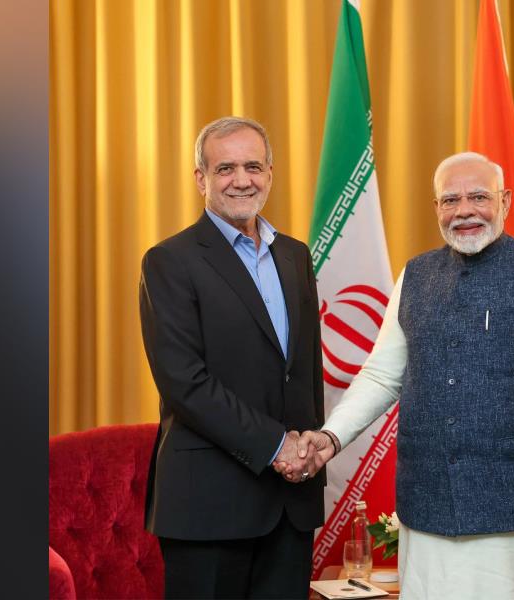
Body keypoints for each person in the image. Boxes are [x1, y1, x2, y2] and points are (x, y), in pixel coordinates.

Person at [287, 152, 514, 599]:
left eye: (479, 196)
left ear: (506, 201)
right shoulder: (415, 276)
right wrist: (329, 438)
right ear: (436, 208)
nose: (464, 210)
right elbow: (382, 377)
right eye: (450, 200)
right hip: (428, 520)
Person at [139, 116, 327, 599]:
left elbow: (303, 372)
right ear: (201, 178)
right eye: (225, 168)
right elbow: (185, 382)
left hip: (291, 503)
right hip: (209, 505)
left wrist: (309, 447)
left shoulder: (295, 255)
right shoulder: (169, 261)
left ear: (270, 173)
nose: (241, 180)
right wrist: (275, 446)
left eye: (252, 166)